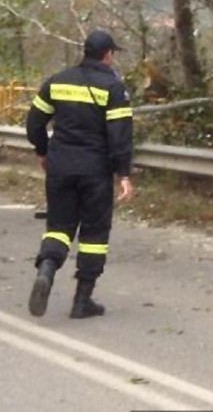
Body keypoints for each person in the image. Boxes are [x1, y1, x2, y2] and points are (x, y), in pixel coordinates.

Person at [25, 29, 135, 318]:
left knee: (59, 228)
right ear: (108, 54)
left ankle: (47, 269)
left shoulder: (57, 81)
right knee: (94, 234)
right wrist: (123, 174)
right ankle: (82, 300)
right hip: (95, 171)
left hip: (60, 168)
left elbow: (34, 121)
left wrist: (42, 151)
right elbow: (119, 136)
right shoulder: (113, 88)